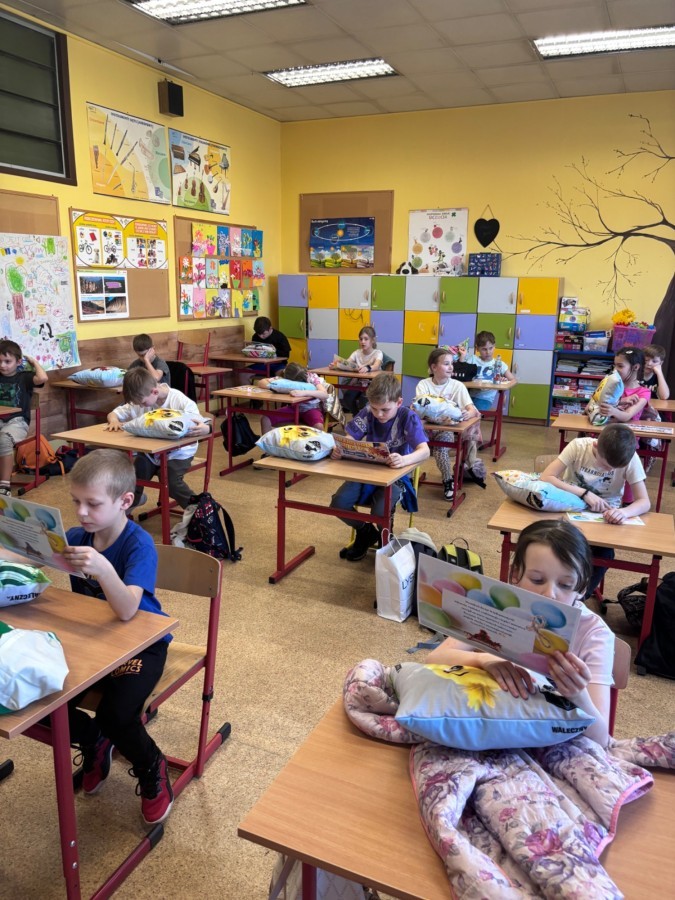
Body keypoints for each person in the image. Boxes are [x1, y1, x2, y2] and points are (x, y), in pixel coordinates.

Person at [427, 520, 614, 748]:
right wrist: (483, 659)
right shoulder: (500, 607)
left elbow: (601, 739)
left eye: (566, 585)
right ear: (515, 575)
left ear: (582, 587)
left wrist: (578, 696)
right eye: (537, 580)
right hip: (494, 728)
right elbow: (433, 659)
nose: (550, 594)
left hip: (554, 743)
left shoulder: (594, 635)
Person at [60, 450, 174, 824]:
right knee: (38, 697)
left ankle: (152, 764)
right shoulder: (77, 536)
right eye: (76, 501)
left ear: (125, 501)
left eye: (92, 504)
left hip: (143, 643)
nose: (81, 512)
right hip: (93, 639)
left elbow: (127, 611)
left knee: (116, 715)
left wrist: (104, 569)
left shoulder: (138, 544)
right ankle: (93, 739)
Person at [539, 422, 650, 598]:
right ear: (596, 445)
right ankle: (558, 591)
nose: (609, 470)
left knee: (605, 553)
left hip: (604, 518)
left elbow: (644, 501)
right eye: (605, 465)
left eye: (613, 469)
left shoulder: (630, 457)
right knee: (560, 545)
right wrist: (584, 493)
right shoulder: (578, 447)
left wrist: (623, 512)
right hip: (571, 508)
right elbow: (546, 477)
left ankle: (578, 598)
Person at [330, 373, 429, 561]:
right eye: (375, 409)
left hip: (396, 476)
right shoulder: (368, 412)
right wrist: (341, 449)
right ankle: (365, 532)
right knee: (338, 504)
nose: (379, 414)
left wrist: (404, 460)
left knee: (379, 512)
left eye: (385, 410)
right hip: (368, 472)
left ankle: (386, 540)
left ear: (399, 402)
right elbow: (350, 438)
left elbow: (424, 451)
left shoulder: (408, 417)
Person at [105, 368, 211, 510]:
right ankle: (126, 510)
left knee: (171, 482)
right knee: (133, 479)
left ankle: (200, 509)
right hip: (150, 454)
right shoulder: (141, 397)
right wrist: (114, 421)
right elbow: (114, 414)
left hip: (178, 454)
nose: (141, 406)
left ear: (155, 392)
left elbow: (202, 423)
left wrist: (207, 429)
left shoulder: (179, 400)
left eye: (143, 403)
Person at [414, 348, 481, 501]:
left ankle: (448, 480)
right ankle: (405, 478)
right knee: (407, 442)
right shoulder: (423, 384)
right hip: (425, 429)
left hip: (445, 429)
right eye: (446, 364)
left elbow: (471, 409)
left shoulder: (457, 386)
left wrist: (468, 413)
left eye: (452, 363)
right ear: (433, 367)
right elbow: (420, 408)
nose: (451, 367)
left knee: (441, 449)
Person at [0, 339, 48, 497]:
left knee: (3, 439)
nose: (3, 365)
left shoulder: (25, 377)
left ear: (18, 362)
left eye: (7, 361)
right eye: (0, 361)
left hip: (17, 422)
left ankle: (4, 485)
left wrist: (34, 363)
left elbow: (43, 378)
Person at [257, 362, 328, 433]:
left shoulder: (311, 377)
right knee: (265, 419)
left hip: (311, 409)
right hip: (293, 408)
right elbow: (261, 382)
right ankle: (267, 440)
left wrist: (304, 392)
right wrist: (273, 386)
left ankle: (317, 440)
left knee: (318, 426)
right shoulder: (283, 377)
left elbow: (324, 394)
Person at [459, 331, 516, 412]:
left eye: (490, 348)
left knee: (472, 412)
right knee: (456, 410)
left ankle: (475, 419)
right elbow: (460, 372)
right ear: (477, 348)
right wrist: (462, 356)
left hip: (485, 399)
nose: (488, 352)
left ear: (494, 346)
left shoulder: (499, 364)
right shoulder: (473, 359)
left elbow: (513, 380)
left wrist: (504, 381)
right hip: (468, 396)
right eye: (484, 349)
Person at [332, 326, 383, 415]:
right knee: (347, 398)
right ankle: (356, 416)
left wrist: (368, 368)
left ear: (373, 340)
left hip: (372, 385)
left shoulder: (378, 353)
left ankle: (364, 418)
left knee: (364, 402)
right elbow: (347, 363)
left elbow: (376, 365)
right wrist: (335, 365)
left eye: (366, 339)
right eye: (361, 339)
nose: (363, 342)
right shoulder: (357, 353)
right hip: (358, 384)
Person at [596, 346, 650, 422]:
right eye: (615, 365)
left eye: (620, 366)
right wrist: (621, 401)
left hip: (626, 429)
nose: (615, 370)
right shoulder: (609, 384)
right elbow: (592, 405)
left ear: (635, 367)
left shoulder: (644, 392)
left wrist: (613, 411)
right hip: (603, 426)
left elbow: (627, 415)